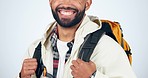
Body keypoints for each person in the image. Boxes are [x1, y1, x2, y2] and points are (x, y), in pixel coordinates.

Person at [17, 0, 137, 78]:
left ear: (88, 3)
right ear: (50, 2)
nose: (66, 2)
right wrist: (21, 76)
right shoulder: (35, 49)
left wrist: (93, 76)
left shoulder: (107, 47)